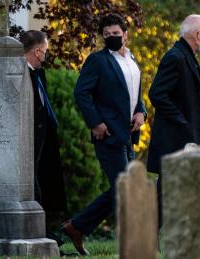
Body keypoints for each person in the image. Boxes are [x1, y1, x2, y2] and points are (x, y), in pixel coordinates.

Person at [62, 13, 146, 255]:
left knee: (126, 187)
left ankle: (77, 226)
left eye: (115, 34)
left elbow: (135, 95)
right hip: (107, 134)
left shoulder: (132, 59)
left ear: (125, 35)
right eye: (106, 35)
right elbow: (81, 93)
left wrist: (142, 113)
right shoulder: (97, 61)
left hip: (129, 134)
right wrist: (95, 123)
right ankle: (79, 227)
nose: (111, 38)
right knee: (125, 187)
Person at [146, 14, 200, 226]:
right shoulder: (175, 57)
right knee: (165, 194)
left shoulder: (187, 56)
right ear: (198, 34)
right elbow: (157, 94)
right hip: (175, 139)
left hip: (184, 138)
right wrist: (182, 122)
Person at [19, 30, 67, 232]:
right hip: (30, 138)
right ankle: (39, 231)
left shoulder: (39, 74)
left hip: (44, 138)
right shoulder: (21, 74)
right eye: (45, 51)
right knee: (34, 183)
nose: (45, 55)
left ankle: (47, 229)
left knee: (47, 185)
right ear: (38, 51)